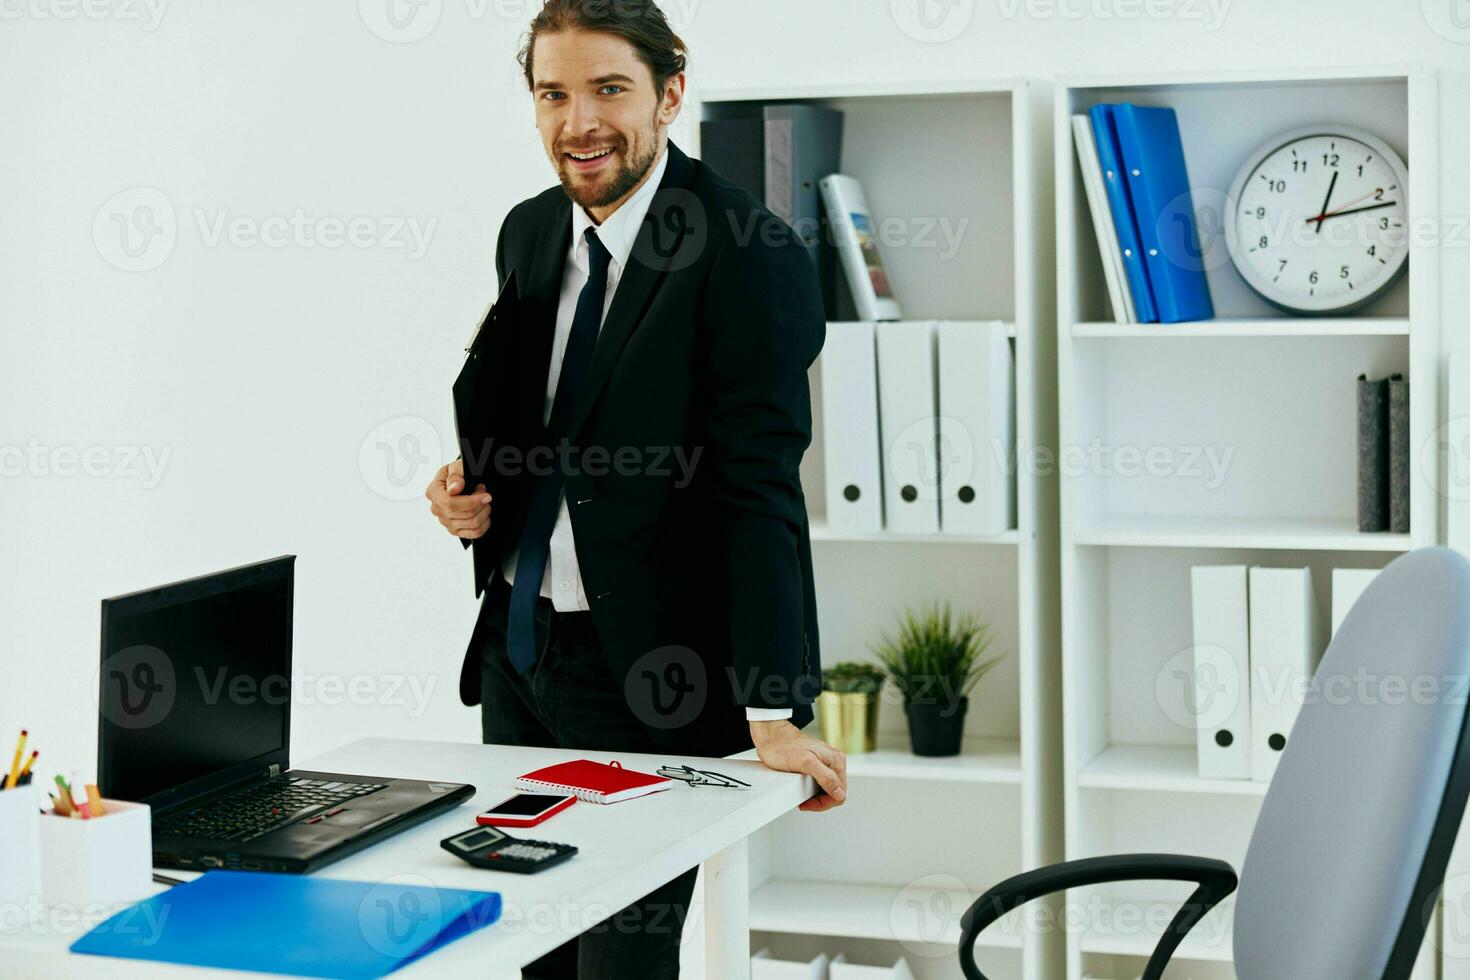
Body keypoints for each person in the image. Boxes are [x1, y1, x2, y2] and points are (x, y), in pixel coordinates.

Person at [424, 1, 846, 976]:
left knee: (623, 964)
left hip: (648, 674)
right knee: (533, 953)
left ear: (670, 92)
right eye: (554, 94)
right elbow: (535, 418)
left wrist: (773, 707)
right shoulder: (530, 232)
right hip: (520, 655)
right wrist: (469, 495)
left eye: (609, 89)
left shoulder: (747, 249)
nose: (580, 121)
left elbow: (759, 484)